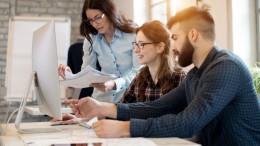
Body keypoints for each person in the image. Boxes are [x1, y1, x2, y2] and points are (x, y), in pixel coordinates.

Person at [66, 5, 260, 146]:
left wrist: (125, 128)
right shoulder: (196, 74)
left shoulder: (226, 67)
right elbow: (158, 106)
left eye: (174, 38)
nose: (172, 47)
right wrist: (102, 107)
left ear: (193, 35)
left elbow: (188, 122)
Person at [59, 0, 141, 103]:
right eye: (90, 20)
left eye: (98, 17)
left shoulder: (133, 35)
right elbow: (87, 73)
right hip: (101, 101)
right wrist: (71, 76)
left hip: (128, 100)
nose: (95, 24)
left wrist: (114, 84)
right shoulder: (91, 39)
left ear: (110, 12)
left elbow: (138, 72)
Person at [120, 20, 185, 103]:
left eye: (141, 44)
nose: (136, 50)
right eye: (136, 44)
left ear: (159, 47)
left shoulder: (179, 77)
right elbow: (122, 106)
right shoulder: (140, 77)